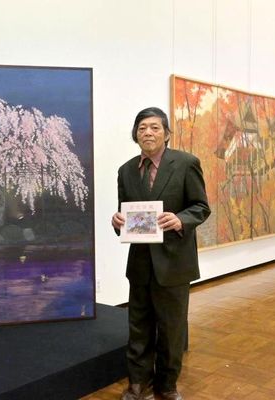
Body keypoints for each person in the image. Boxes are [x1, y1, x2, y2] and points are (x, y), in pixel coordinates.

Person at [111, 107, 210, 400]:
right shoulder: (126, 170)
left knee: (171, 328)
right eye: (142, 128)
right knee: (138, 325)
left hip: (175, 261)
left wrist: (181, 220)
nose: (148, 133)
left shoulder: (186, 163)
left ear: (166, 134)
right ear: (135, 135)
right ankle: (138, 382)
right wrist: (117, 222)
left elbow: (201, 207)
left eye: (155, 127)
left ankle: (167, 384)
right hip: (140, 263)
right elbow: (126, 213)